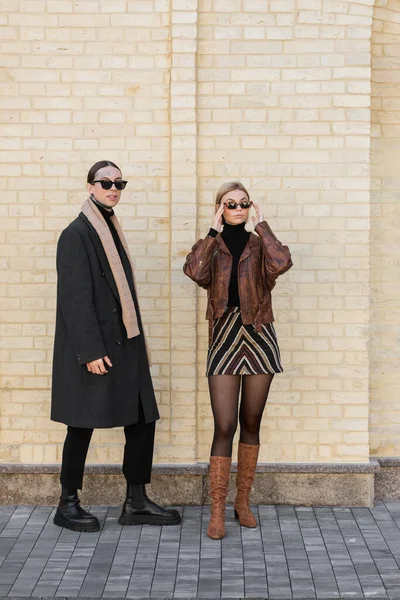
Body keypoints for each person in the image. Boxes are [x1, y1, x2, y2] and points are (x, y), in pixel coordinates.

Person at [51, 160, 181, 531]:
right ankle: (67, 503)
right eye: (105, 182)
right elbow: (74, 300)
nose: (113, 188)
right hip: (97, 347)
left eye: (119, 182)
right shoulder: (76, 234)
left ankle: (136, 501)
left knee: (142, 419)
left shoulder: (110, 227)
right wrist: (90, 351)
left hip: (127, 342)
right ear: (89, 186)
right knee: (81, 423)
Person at [183, 181, 292, 540]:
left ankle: (242, 503)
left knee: (251, 421)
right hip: (225, 336)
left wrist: (263, 225)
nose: (238, 209)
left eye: (244, 203)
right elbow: (195, 272)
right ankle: (217, 510)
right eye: (230, 204)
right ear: (220, 208)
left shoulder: (260, 246)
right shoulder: (211, 248)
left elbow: (282, 262)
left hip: (259, 335)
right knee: (225, 425)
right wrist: (212, 232)